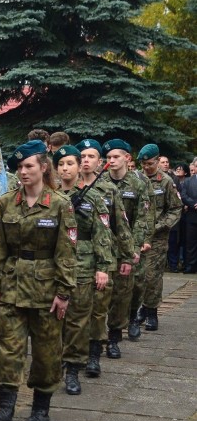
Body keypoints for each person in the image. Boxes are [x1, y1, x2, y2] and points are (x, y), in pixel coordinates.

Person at [0, 140, 77, 421]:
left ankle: (40, 409)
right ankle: (5, 410)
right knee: (9, 350)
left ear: (43, 167)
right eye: (20, 167)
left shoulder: (60, 204)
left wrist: (64, 292)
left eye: (29, 166)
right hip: (12, 285)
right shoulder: (5, 203)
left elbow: (66, 252)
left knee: (46, 352)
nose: (23, 172)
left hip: (46, 289)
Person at [54, 145, 113, 395]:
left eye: (70, 163)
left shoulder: (93, 197)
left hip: (84, 265)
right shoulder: (50, 195)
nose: (65, 168)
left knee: (78, 321)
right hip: (54, 266)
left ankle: (73, 370)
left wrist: (103, 268)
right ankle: (54, 363)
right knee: (54, 320)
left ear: (79, 167)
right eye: (61, 164)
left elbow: (102, 234)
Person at [76, 139, 131, 379]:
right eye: (83, 156)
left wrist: (129, 255)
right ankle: (72, 355)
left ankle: (94, 354)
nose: (86, 160)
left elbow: (121, 225)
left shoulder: (109, 190)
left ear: (100, 162)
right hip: (73, 257)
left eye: (91, 157)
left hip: (103, 257)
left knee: (99, 309)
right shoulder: (66, 188)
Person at [100, 139, 151, 358]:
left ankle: (114, 337)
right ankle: (95, 339)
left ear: (127, 159)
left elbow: (143, 217)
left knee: (124, 292)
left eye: (115, 157)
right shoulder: (100, 182)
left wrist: (135, 249)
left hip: (127, 245)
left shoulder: (138, 184)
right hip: (104, 246)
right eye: (108, 157)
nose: (111, 161)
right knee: (101, 295)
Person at [134, 144, 181, 332]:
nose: (146, 167)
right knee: (138, 276)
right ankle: (140, 308)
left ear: (158, 159)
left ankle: (151, 311)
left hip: (157, 237)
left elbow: (176, 208)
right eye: (143, 164)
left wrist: (161, 225)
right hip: (137, 235)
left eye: (150, 163)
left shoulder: (166, 181)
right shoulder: (136, 179)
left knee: (152, 276)